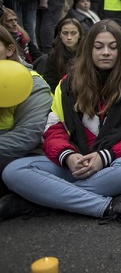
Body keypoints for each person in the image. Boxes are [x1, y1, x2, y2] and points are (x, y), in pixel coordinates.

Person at [2, 20, 121, 223]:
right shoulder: (67, 83)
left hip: (116, 160)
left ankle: (38, 200)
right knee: (14, 171)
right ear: (88, 49)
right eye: (98, 47)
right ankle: (108, 206)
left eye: (113, 47)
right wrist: (69, 157)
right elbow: (53, 128)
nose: (105, 52)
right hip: (74, 161)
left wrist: (103, 157)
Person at [0, 26, 52, 220]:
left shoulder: (33, 83)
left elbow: (27, 137)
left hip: (20, 155)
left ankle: (27, 200)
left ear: (10, 50)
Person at [42, 18, 83, 91]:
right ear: (60, 35)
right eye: (65, 33)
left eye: (73, 33)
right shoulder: (54, 55)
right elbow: (50, 81)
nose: (69, 37)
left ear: (79, 34)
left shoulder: (88, 52)